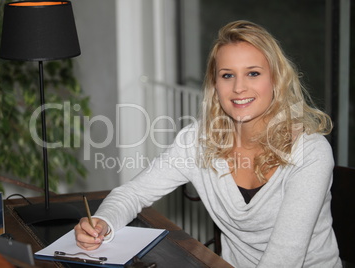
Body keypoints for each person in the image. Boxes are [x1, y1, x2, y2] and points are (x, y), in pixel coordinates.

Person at [74, 20, 341, 267]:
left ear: (276, 79)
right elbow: (132, 193)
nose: (238, 88)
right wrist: (102, 223)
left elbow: (284, 259)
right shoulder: (198, 141)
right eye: (227, 75)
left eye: (253, 73)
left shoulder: (310, 152)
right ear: (215, 85)